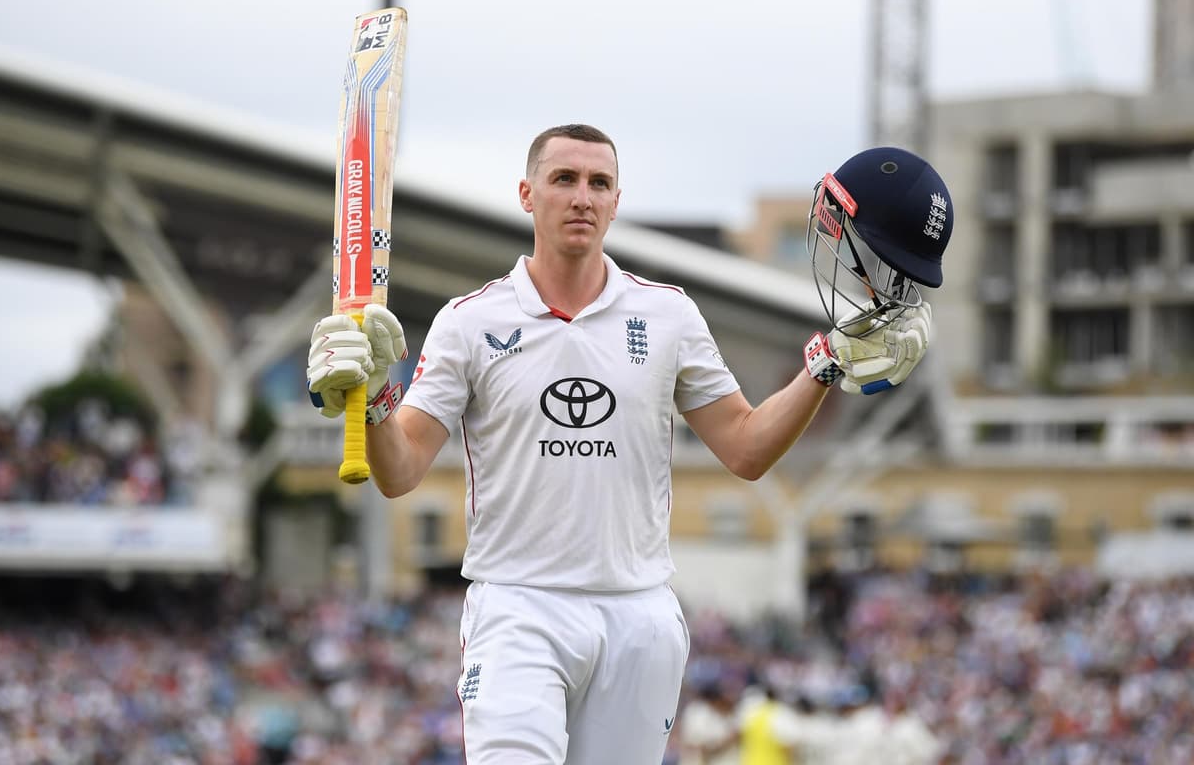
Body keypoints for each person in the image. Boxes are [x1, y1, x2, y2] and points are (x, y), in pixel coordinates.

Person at [306, 125, 952, 764]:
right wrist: (370, 400)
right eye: (564, 180)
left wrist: (825, 366)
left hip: (638, 617)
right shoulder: (470, 321)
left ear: (617, 201)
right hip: (518, 608)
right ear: (528, 194)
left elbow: (746, 449)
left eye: (599, 183)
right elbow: (401, 470)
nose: (582, 197)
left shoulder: (667, 315)